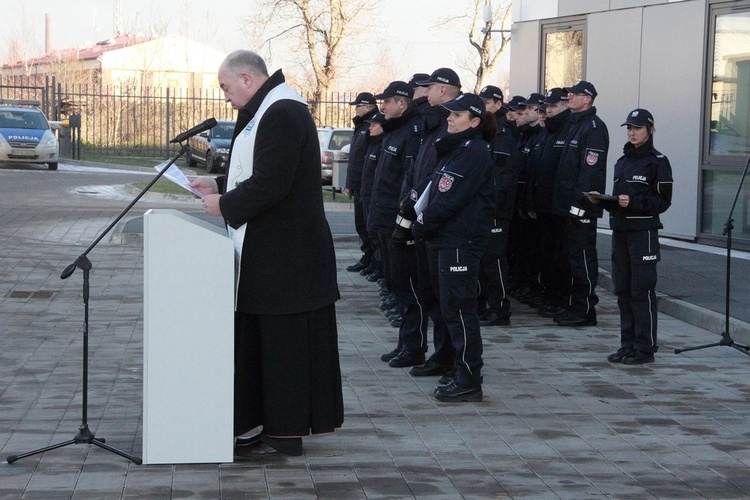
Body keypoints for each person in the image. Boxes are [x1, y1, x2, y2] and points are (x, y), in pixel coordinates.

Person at [189, 50, 343, 457]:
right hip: (273, 254)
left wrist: (226, 205)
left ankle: (285, 430)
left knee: (284, 348)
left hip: (288, 258)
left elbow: (274, 182)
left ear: (246, 78)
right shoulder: (266, 109)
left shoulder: (282, 112)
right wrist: (220, 186)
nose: (225, 97)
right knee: (267, 344)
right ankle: (264, 424)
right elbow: (257, 170)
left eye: (225, 87)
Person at [411, 93, 496, 402]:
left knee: (460, 309)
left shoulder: (473, 151)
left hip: (460, 240)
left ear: (474, 121)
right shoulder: (455, 148)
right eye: (450, 113)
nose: (450, 118)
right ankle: (450, 361)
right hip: (443, 238)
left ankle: (469, 377)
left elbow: (449, 199)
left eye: (457, 115)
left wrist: (421, 224)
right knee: (444, 305)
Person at [588, 109, 673, 364]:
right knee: (623, 290)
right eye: (629, 128)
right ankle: (627, 345)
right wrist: (604, 201)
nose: (632, 133)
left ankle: (645, 348)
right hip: (621, 233)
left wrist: (633, 202)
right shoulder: (622, 162)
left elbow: (663, 201)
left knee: (642, 291)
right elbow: (620, 201)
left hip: (643, 234)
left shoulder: (658, 161)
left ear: (650, 129)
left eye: (637, 128)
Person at [396, 68, 462, 377]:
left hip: (441, 225)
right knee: (430, 293)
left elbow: (443, 179)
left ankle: (451, 358)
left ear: (445, 90)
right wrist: (410, 203)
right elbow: (418, 168)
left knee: (447, 299)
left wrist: (422, 209)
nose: (423, 93)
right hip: (423, 218)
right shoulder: (434, 124)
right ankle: (441, 354)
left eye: (430, 88)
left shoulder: (453, 125)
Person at [369, 80, 424, 364]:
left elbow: (409, 180)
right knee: (395, 284)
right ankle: (405, 342)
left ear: (402, 103)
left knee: (407, 287)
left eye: (387, 102)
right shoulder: (394, 132)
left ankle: (414, 346)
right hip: (383, 218)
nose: (383, 107)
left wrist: (403, 218)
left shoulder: (410, 134)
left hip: (397, 221)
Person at [552, 80, 609, 327]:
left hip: (581, 208)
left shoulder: (593, 127)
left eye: (575, 95)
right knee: (570, 257)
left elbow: (590, 172)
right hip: (568, 206)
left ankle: (585, 310)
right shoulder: (575, 125)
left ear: (588, 99)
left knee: (582, 257)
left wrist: (581, 204)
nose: (570, 98)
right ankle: (574, 305)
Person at [526, 88, 573, 319]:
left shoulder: (568, 130)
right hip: (544, 206)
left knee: (561, 258)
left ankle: (562, 299)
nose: (548, 111)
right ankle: (551, 296)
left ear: (566, 106)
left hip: (560, 208)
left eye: (553, 107)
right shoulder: (546, 134)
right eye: (546, 107)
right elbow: (537, 172)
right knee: (546, 256)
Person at [477, 84, 518, 327]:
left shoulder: (502, 133)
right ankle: (485, 304)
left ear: (498, 104)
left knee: (494, 260)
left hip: (496, 209)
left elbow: (503, 176)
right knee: (483, 260)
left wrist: (491, 204)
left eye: (487, 102)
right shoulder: (486, 129)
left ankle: (500, 308)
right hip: (484, 207)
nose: (482, 107)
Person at [345, 92, 379, 273]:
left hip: (367, 184)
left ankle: (373, 259)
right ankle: (368, 257)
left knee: (368, 224)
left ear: (368, 107)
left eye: (358, 106)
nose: (356, 110)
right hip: (359, 183)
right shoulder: (361, 125)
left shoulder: (373, 125)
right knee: (361, 223)